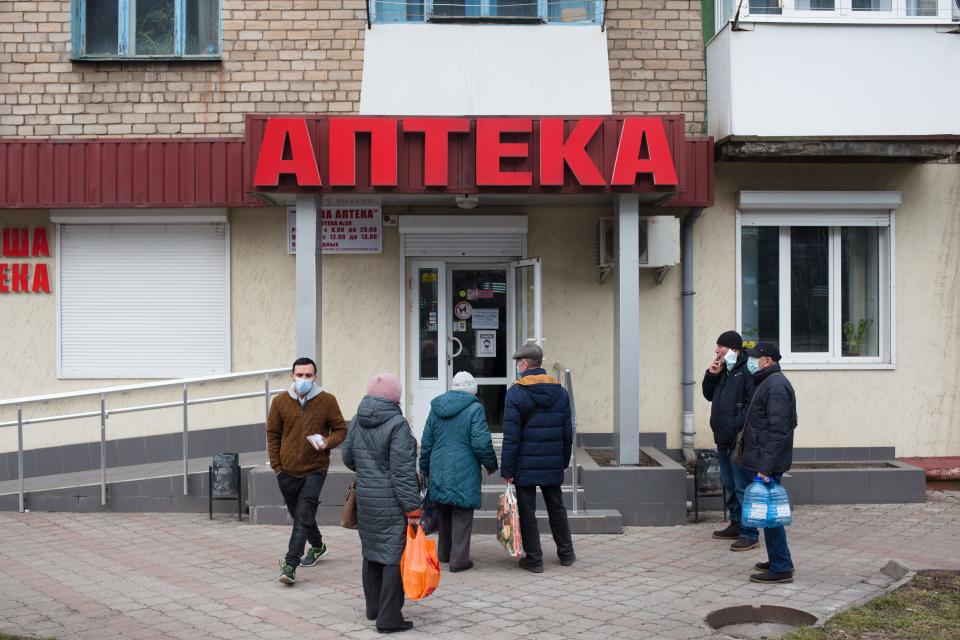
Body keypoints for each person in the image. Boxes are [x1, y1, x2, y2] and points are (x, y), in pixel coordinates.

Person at [341, 372, 422, 634]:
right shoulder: (397, 424)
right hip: (392, 502)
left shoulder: (356, 420)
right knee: (392, 557)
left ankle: (373, 608)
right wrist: (413, 508)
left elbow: (347, 457)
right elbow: (403, 472)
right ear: (395, 397)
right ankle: (388, 619)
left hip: (366, 497)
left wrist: (369, 471)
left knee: (372, 552)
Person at [268, 357, 348, 585]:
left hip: (315, 469)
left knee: (302, 516)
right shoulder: (280, 401)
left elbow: (341, 430)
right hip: (286, 470)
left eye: (308, 375)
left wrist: (328, 442)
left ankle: (290, 565)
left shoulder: (327, 400)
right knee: (301, 515)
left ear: (315, 377)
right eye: (299, 375)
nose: (304, 379)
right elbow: (273, 434)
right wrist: (277, 467)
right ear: (292, 376)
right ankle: (318, 545)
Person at [500, 343, 575, 573]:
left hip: (525, 464)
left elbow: (511, 437)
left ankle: (534, 559)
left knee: (527, 511)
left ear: (524, 364)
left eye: (518, 364)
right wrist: (564, 461)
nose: (518, 368)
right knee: (557, 508)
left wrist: (507, 470)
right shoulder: (560, 392)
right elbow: (567, 431)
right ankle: (566, 554)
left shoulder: (516, 392)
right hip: (552, 460)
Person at [419, 371, 499, 573]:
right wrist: (491, 464)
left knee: (444, 511)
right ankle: (459, 560)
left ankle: (444, 554)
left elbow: (426, 441)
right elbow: (481, 443)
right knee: (462, 515)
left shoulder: (436, 408)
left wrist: (424, 467)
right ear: (473, 390)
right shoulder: (475, 409)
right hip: (465, 468)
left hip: (439, 467)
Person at [738, 342, 798, 584]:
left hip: (769, 462)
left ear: (768, 361)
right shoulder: (767, 382)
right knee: (768, 514)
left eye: (755, 358)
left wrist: (766, 467)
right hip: (765, 459)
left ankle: (781, 567)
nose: (751, 361)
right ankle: (779, 560)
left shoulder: (775, 387)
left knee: (770, 515)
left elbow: (779, 430)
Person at [701, 330, 758, 552]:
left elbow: (751, 404)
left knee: (743, 486)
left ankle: (750, 533)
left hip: (738, 439)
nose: (716, 351)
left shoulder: (747, 370)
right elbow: (708, 395)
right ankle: (735, 523)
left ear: (733, 348)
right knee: (730, 484)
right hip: (722, 437)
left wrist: (736, 427)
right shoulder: (724, 369)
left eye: (720, 347)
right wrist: (712, 374)